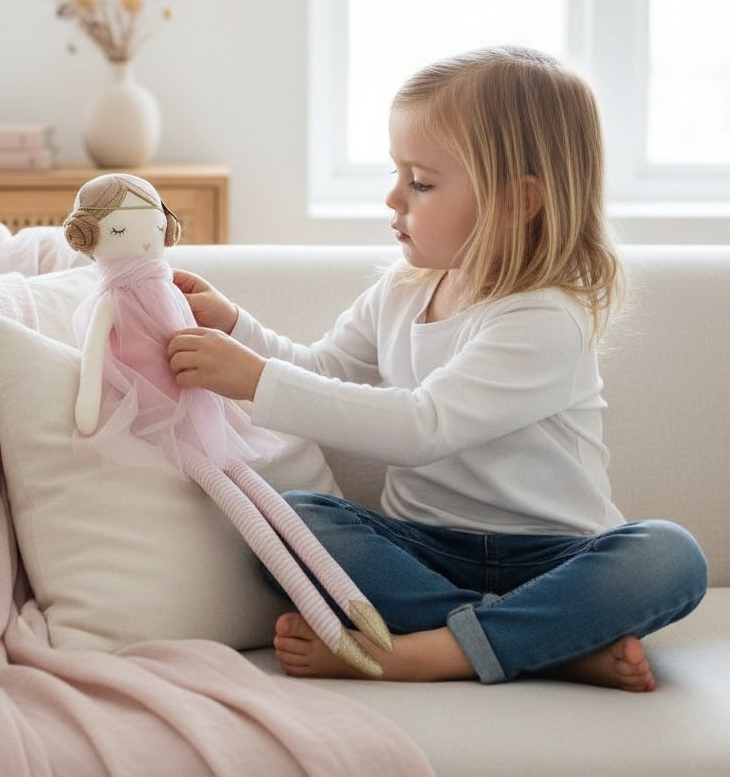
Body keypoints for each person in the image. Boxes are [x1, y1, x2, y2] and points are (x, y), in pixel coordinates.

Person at [166, 45, 708, 692]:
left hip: (556, 558)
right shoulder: (401, 291)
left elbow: (423, 426)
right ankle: (544, 647)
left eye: (420, 181)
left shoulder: (544, 319)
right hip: (420, 548)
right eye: (398, 173)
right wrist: (237, 329)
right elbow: (324, 368)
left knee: (671, 556)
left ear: (518, 202)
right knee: (291, 519)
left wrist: (253, 380)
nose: (392, 197)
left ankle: (426, 652)